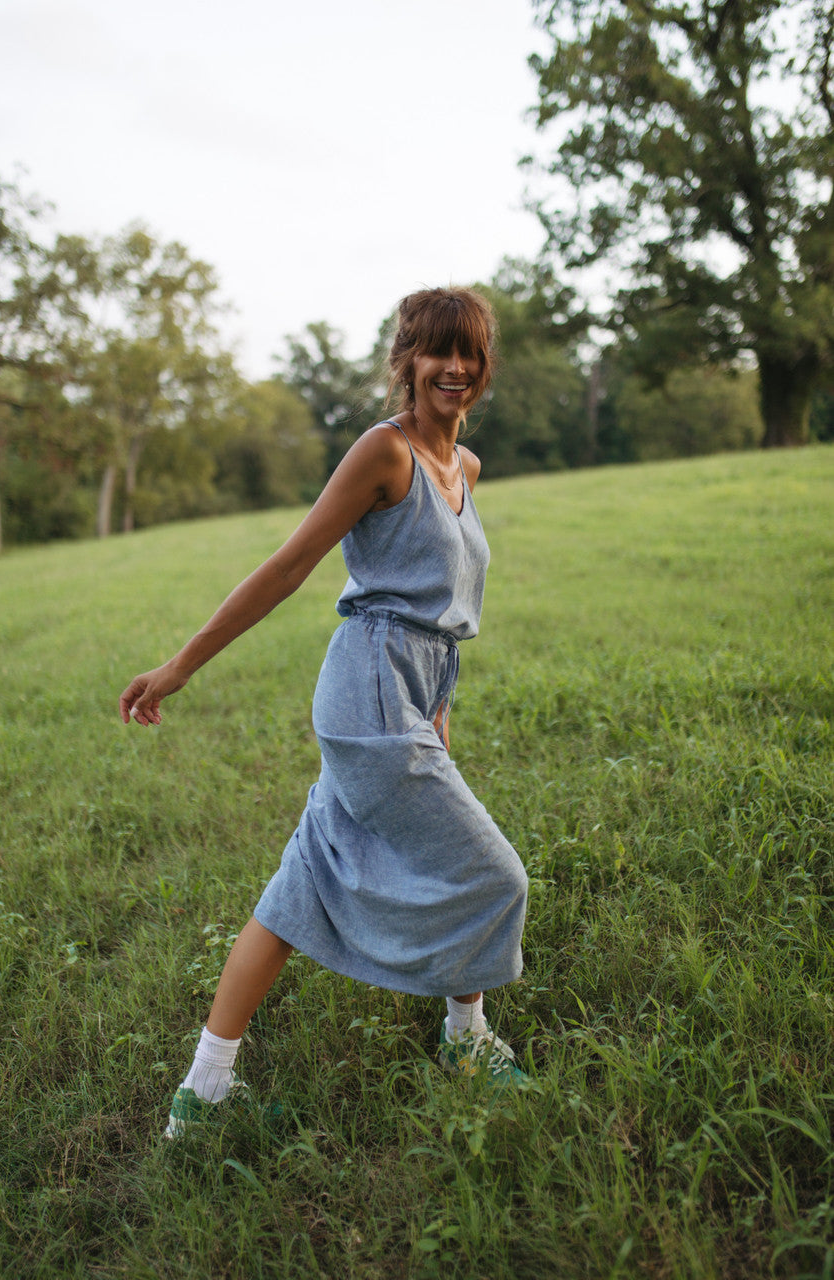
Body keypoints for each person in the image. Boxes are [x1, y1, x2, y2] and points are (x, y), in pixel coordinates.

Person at [119, 286, 530, 1138]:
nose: (454, 368)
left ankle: (204, 1092)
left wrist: (440, 720)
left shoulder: (467, 467)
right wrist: (180, 665)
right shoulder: (386, 452)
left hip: (415, 687)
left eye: (470, 353)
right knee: (494, 875)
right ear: (407, 362)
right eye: (436, 351)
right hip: (369, 688)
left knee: (298, 889)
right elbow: (289, 563)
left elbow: (440, 616)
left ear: (484, 366)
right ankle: (464, 1037)